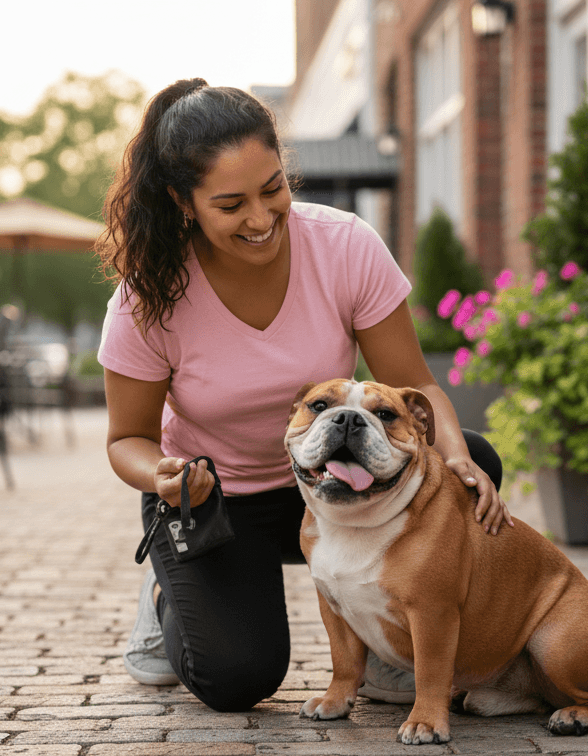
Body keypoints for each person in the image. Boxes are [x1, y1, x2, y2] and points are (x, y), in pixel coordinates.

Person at [95, 78, 512, 713]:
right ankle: (165, 594)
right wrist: (162, 476)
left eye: (273, 190)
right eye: (231, 205)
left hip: (338, 480)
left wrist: (454, 459)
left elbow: (418, 385)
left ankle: (390, 641)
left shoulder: (344, 245)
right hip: (214, 499)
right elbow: (127, 438)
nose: (261, 219)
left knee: (472, 461)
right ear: (184, 201)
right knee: (237, 676)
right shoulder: (146, 296)